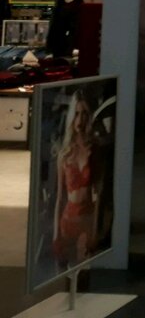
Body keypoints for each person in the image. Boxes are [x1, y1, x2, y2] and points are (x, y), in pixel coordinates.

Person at [52, 89, 98, 266]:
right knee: (64, 269)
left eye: (84, 113)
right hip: (68, 219)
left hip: (87, 218)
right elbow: (59, 198)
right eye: (77, 113)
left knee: (84, 270)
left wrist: (95, 231)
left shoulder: (94, 148)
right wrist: (56, 235)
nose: (80, 119)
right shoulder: (65, 153)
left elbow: (99, 193)